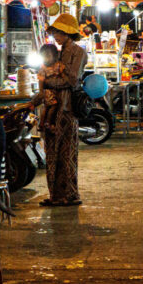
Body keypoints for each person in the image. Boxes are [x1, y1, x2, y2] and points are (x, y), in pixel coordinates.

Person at [34, 13, 85, 206]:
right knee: (52, 154)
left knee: (67, 153)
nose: (55, 35)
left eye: (58, 32)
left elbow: (72, 80)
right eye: (55, 32)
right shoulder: (58, 51)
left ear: (68, 32)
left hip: (67, 110)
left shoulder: (78, 52)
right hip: (52, 109)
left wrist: (49, 80)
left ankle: (70, 194)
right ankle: (55, 194)